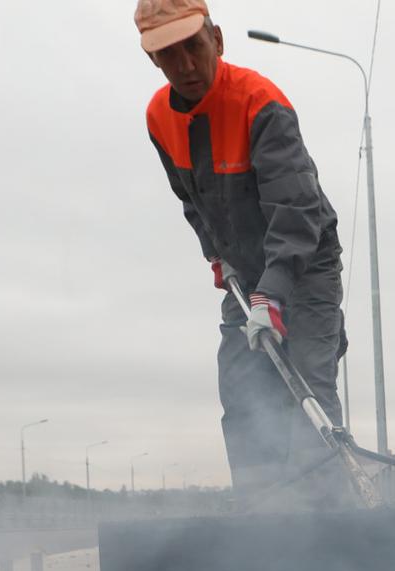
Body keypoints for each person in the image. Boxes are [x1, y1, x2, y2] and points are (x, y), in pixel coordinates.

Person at [136, 0, 348, 507]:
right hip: (246, 276)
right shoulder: (159, 118)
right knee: (242, 391)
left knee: (308, 384)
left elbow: (296, 209)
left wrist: (271, 295)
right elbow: (192, 200)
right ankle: (263, 524)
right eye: (169, 54)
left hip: (307, 265)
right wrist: (218, 258)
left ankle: (330, 524)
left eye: (194, 46)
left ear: (218, 40)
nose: (186, 64)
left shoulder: (260, 102)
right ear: (154, 61)